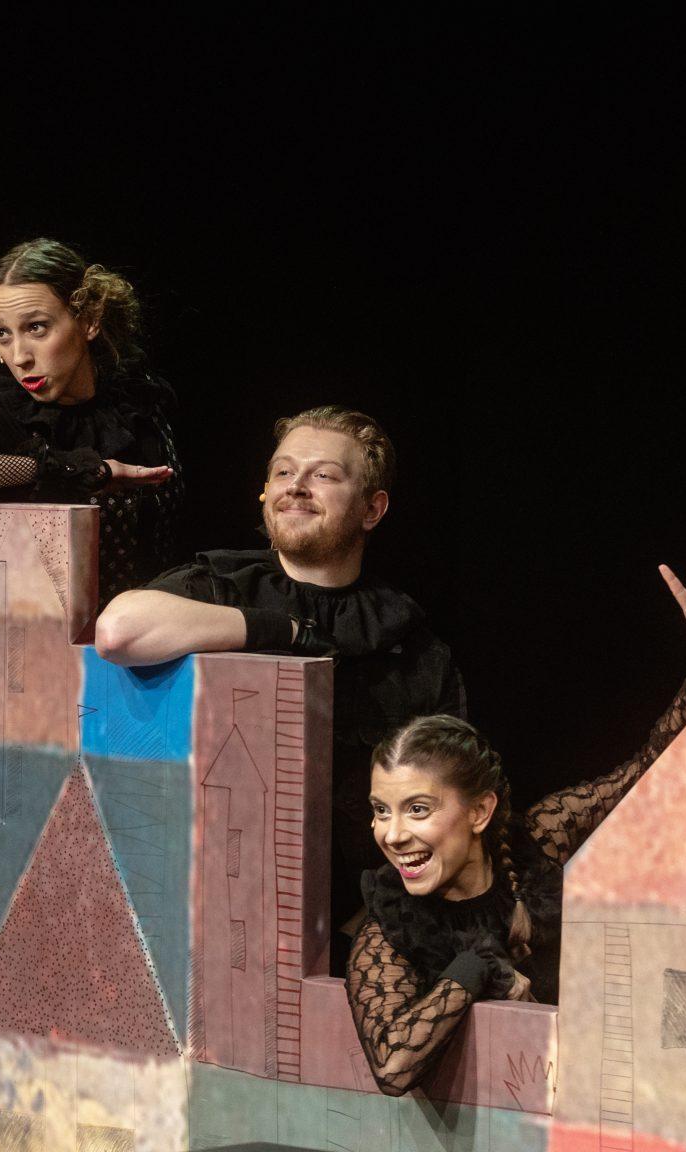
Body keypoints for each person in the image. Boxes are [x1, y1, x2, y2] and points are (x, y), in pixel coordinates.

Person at [346, 565, 686, 1096]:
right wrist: (477, 967)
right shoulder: (393, 931)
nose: (392, 834)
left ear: (480, 812)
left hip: (613, 1092)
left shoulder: (536, 842)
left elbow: (644, 772)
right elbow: (393, 1065)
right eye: (381, 810)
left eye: (417, 809)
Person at [94, 406, 464, 952]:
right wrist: (282, 630)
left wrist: (360, 931)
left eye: (324, 475)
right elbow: (118, 632)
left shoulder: (411, 646)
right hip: (204, 923)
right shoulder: (219, 586)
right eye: (284, 471)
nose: (297, 486)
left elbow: (449, 810)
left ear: (372, 509)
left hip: (364, 929)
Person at [0, 238, 181, 601]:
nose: (19, 356)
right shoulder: (9, 416)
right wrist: (65, 470)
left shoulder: (139, 395)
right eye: (2, 333)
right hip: (61, 631)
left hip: (163, 619)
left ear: (89, 319)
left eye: (36, 327)